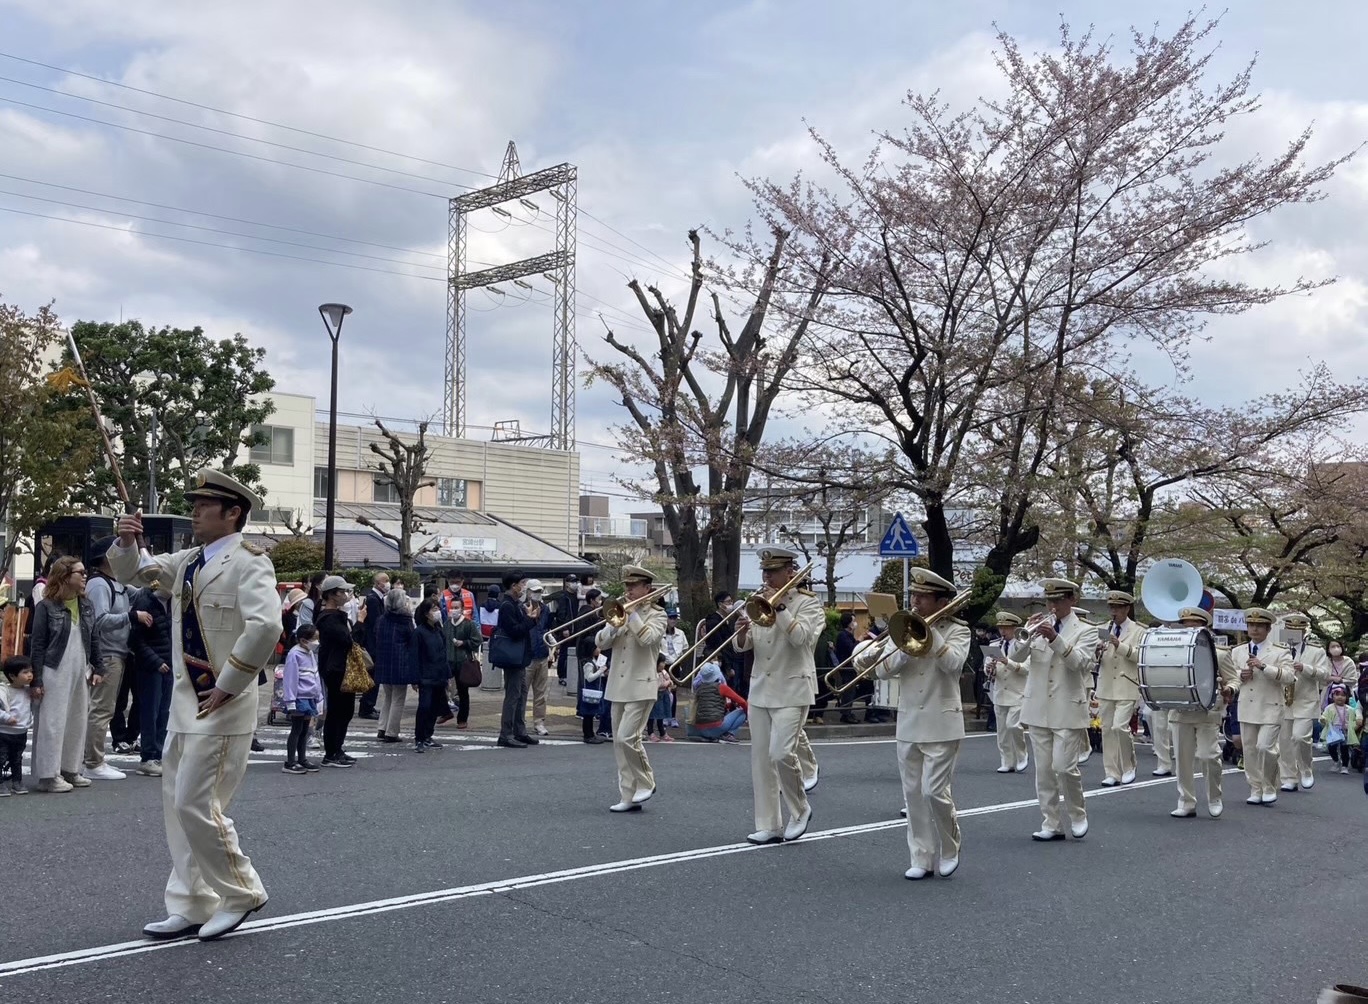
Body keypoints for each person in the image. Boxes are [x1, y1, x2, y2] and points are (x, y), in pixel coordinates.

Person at [110, 470, 280, 941]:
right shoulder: (189, 560)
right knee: (177, 807)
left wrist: (230, 683)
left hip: (222, 705)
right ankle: (191, 901)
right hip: (185, 704)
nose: (195, 512)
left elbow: (266, 627)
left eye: (205, 505)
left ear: (233, 513)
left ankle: (242, 892)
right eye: (195, 504)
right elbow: (134, 573)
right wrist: (127, 541)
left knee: (196, 803)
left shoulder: (250, 563)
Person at [863, 567, 971, 879]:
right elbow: (882, 671)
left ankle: (950, 846)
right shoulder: (904, 627)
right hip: (909, 721)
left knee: (933, 792)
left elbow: (953, 664)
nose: (915, 602)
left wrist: (929, 635)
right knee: (912, 794)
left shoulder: (959, 631)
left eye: (923, 597)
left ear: (941, 602)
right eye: (915, 596)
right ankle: (921, 857)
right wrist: (903, 648)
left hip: (942, 722)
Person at [734, 546, 824, 844]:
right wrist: (741, 632)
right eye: (765, 571)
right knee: (761, 761)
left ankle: (800, 809)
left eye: (772, 572)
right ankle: (769, 824)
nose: (767, 577)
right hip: (761, 688)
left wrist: (781, 608)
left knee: (782, 753)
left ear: (790, 572)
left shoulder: (809, 604)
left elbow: (802, 639)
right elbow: (746, 646)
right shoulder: (759, 601)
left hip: (793, 688)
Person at [1009, 578, 1094, 842]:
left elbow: (1079, 663)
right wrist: (1026, 632)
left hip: (1067, 708)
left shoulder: (1086, 630)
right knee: (1044, 771)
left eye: (1058, 600)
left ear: (1072, 600)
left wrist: (1055, 638)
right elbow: (1015, 657)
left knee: (1064, 768)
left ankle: (1077, 814)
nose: (1052, 605)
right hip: (1037, 707)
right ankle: (1052, 822)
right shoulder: (1036, 627)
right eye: (1049, 600)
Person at [595, 565, 667, 812]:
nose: (628, 590)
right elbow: (601, 643)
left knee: (629, 737)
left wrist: (633, 615)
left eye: (633, 586)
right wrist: (614, 623)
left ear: (647, 588)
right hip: (617, 684)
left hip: (641, 685)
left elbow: (648, 639)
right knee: (619, 743)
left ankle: (646, 782)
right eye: (627, 586)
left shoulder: (658, 615)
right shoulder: (621, 610)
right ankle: (628, 795)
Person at [29, 556, 100, 793]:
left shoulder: (86, 605)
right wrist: (37, 679)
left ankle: (70, 769)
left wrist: (98, 667)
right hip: (54, 668)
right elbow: (37, 645)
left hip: (81, 665)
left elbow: (94, 637)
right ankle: (48, 775)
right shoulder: (46, 606)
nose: (85, 576)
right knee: (52, 721)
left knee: (77, 720)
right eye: (80, 573)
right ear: (65, 576)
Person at [1167, 607, 1238, 819]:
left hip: (1209, 711)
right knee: (1182, 760)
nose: (1189, 629)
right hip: (1181, 710)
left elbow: (1234, 678)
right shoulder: (1174, 650)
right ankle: (1186, 801)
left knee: (1209, 756)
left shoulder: (1219, 653)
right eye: (1185, 626)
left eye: (1194, 626)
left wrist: (1230, 688)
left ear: (1203, 628)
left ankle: (1214, 797)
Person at [82, 537, 143, 780]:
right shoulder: (99, 584)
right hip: (107, 654)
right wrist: (131, 617)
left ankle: (93, 760)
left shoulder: (117, 583)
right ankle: (93, 762)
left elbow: (141, 592)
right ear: (108, 557)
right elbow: (99, 620)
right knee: (101, 709)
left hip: (117, 652)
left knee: (104, 709)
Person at [1232, 608, 1293, 806]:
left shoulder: (1280, 651)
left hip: (1270, 706)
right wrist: (1240, 675)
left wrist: (1264, 667)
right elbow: (1229, 676)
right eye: (1251, 625)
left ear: (1268, 629)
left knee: (1265, 747)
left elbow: (1289, 677)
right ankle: (1255, 788)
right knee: (1250, 750)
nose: (1254, 629)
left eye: (1259, 626)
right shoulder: (1237, 651)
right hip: (1246, 706)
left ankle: (1269, 787)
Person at [1095, 591, 1144, 787]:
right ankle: (1111, 772)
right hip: (1106, 685)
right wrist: (1097, 651)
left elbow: (1140, 656)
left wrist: (1119, 645)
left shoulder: (1139, 630)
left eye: (1118, 608)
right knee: (1107, 730)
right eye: (1111, 608)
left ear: (1127, 608)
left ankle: (1129, 766)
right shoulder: (1102, 628)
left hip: (1127, 684)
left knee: (1120, 727)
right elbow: (1092, 658)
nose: (1113, 612)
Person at [315, 576, 365, 768]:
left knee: (346, 710)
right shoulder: (328, 618)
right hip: (335, 668)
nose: (346, 595)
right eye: (343, 591)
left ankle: (337, 749)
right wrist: (360, 622)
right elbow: (348, 641)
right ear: (332, 594)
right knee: (338, 710)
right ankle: (331, 753)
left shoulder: (336, 615)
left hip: (341, 667)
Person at [128, 578, 175, 777]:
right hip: (151, 667)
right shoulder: (145, 601)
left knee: (165, 712)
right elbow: (135, 640)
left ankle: (159, 754)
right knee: (150, 712)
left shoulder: (173, 602)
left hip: (169, 664)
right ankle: (148, 756)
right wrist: (155, 661)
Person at [1278, 613, 1330, 792]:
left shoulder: (1316, 651)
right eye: (1290, 630)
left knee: (1300, 737)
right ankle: (1289, 778)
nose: (1293, 635)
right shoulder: (1278, 649)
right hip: (1282, 700)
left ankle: (1306, 770)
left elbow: (1325, 674)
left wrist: (1305, 668)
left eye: (1297, 631)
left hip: (1305, 700)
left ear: (1304, 632)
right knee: (1284, 742)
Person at [491, 571, 537, 748]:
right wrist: (530, 620)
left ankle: (519, 731)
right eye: (522, 583)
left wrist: (530, 618)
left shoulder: (516, 604)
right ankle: (506, 734)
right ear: (513, 585)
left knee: (521, 694)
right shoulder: (507, 605)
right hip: (513, 657)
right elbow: (515, 631)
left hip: (520, 657)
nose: (524, 587)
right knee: (513, 695)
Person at [373, 588, 417, 744]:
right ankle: (392, 732)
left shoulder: (381, 619)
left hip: (383, 661)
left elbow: (375, 635)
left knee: (388, 696)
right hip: (400, 661)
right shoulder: (405, 620)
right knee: (398, 698)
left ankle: (382, 728)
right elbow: (412, 640)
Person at [987, 611, 1029, 773]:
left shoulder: (1022, 645)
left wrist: (1007, 662)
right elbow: (987, 666)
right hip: (999, 693)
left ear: (1014, 629)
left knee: (1013, 726)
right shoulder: (994, 646)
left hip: (1017, 692)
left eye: (1006, 628)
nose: (1003, 631)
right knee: (1002, 732)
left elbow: (1025, 669)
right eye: (1001, 628)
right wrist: (989, 669)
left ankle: (1022, 755)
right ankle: (1007, 761)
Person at [280, 625, 322, 774]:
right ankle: (290, 762)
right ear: (304, 640)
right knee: (297, 729)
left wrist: (318, 696)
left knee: (305, 730)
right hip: (299, 698)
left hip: (309, 696)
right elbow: (290, 679)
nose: (317, 642)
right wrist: (290, 701)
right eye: (314, 639)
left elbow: (315, 675)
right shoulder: (294, 654)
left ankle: (302, 759)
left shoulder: (309, 652)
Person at [412, 599, 450, 752]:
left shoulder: (438, 630)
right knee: (424, 707)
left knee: (434, 707)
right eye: (433, 609)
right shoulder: (419, 632)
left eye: (437, 608)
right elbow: (414, 656)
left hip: (439, 675)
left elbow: (443, 653)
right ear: (426, 613)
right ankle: (419, 738)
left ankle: (428, 735)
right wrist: (414, 679)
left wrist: (447, 675)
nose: (437, 612)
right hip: (425, 676)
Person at [686, 661, 748, 742]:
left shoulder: (699, 689)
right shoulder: (721, 687)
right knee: (742, 712)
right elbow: (742, 702)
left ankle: (715, 735)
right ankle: (729, 734)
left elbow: (710, 705)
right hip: (716, 727)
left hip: (700, 729)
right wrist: (748, 713)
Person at [357, 572, 390, 720]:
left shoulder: (377, 598)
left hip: (373, 644)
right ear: (378, 583)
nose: (388, 583)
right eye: (385, 581)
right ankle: (366, 707)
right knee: (373, 677)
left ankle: (369, 705)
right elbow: (376, 623)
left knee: (374, 677)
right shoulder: (373, 599)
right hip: (372, 645)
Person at [445, 598, 482, 729]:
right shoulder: (447, 624)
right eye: (452, 607)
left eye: (457, 607)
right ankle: (445, 712)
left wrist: (464, 643)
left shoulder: (468, 624)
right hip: (449, 661)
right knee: (440, 687)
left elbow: (477, 640)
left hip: (463, 662)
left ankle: (462, 719)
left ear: (462, 609)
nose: (454, 610)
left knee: (463, 692)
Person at [0, 656, 35, 795]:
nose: (30, 675)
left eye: (31, 672)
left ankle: (17, 782)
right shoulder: (4, 691)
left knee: (17, 758)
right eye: (25, 672)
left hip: (21, 732)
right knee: (1, 757)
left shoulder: (28, 691)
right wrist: (6, 717)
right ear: (12, 676)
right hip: (4, 732)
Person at [523, 580, 554, 736]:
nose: (538, 594)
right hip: (526, 655)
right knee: (522, 692)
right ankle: (519, 722)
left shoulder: (545, 608)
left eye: (540, 591)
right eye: (535, 591)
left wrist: (551, 649)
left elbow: (546, 629)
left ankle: (539, 722)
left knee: (541, 693)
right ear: (528, 591)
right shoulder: (521, 608)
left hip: (542, 653)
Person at [548, 573, 581, 685]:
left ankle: (571, 675)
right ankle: (562, 676)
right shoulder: (564, 597)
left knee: (574, 652)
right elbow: (561, 614)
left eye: (576, 581)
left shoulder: (577, 596)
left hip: (577, 629)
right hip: (567, 629)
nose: (575, 584)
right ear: (567, 583)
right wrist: (564, 628)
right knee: (564, 653)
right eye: (572, 581)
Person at [1321, 685, 1361, 776]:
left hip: (1345, 731)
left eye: (1343, 695)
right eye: (1337, 695)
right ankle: (1336, 761)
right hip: (1333, 731)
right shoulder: (1329, 708)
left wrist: (1354, 726)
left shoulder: (1350, 709)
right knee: (1331, 748)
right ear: (1332, 696)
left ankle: (1344, 766)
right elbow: (1324, 716)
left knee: (1344, 749)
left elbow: (1354, 720)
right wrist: (1323, 719)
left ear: (1346, 697)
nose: (1340, 697)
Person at [578, 646, 609, 744]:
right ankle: (587, 735)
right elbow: (589, 677)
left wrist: (602, 673)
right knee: (588, 715)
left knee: (590, 715)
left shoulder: (593, 661)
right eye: (597, 648)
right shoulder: (588, 663)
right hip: (590, 692)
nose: (599, 650)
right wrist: (601, 671)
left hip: (593, 691)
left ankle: (591, 734)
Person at [647, 654, 675, 743]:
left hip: (663, 695)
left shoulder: (663, 672)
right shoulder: (653, 673)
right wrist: (667, 683)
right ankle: (651, 732)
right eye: (662, 662)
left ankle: (662, 733)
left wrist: (670, 682)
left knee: (661, 715)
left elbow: (669, 679)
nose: (663, 664)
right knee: (652, 715)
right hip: (655, 695)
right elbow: (658, 685)